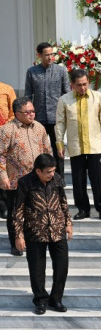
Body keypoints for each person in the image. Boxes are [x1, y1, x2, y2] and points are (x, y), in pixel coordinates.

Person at [13, 154, 73, 315]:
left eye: (53, 171)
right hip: (35, 231)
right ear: (38, 171)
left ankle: (56, 299)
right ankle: (40, 300)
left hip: (57, 229)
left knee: (62, 267)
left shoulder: (57, 179)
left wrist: (68, 223)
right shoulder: (25, 182)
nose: (52, 174)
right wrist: (18, 235)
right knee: (37, 269)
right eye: (48, 172)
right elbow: (18, 210)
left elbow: (63, 202)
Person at [55, 69, 101, 221]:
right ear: (72, 84)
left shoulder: (98, 97)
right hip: (76, 146)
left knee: (98, 179)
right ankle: (82, 209)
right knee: (78, 180)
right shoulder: (64, 100)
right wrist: (59, 143)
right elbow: (60, 123)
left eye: (85, 84)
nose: (83, 88)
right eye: (79, 85)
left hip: (96, 146)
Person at [0, 97, 52, 256]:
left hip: (37, 179)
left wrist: (49, 172)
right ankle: (15, 243)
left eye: (33, 111)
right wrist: (3, 176)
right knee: (15, 213)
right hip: (16, 180)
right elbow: (1, 155)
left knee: (36, 212)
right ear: (17, 114)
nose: (31, 114)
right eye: (27, 112)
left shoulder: (40, 128)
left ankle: (33, 242)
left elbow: (47, 151)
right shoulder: (7, 130)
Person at [25, 42, 70, 175]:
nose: (50, 57)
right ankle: (39, 177)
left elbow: (67, 94)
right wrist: (28, 115)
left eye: (52, 54)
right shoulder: (31, 72)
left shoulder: (61, 71)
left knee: (58, 150)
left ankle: (59, 181)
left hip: (57, 118)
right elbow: (28, 94)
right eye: (47, 55)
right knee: (39, 150)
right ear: (39, 55)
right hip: (38, 119)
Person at [0, 81, 16, 219]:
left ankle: (4, 206)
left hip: (4, 136)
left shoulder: (7, 89)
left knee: (3, 170)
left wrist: (5, 126)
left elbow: (14, 112)